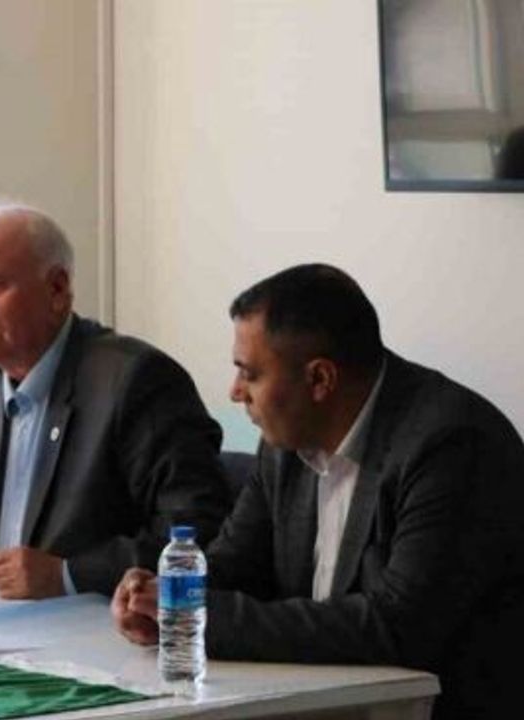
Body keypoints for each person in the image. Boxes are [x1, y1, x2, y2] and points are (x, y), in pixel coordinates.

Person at [111, 263, 524, 719]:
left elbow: (398, 628)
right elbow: (236, 565)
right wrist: (166, 596)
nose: (235, 392)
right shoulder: (286, 441)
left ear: (320, 379)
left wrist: (203, 618)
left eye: (249, 374)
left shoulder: (450, 444)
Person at [0, 204, 230, 598]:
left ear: (57, 290)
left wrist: (69, 575)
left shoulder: (136, 381)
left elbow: (198, 533)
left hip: (94, 626)